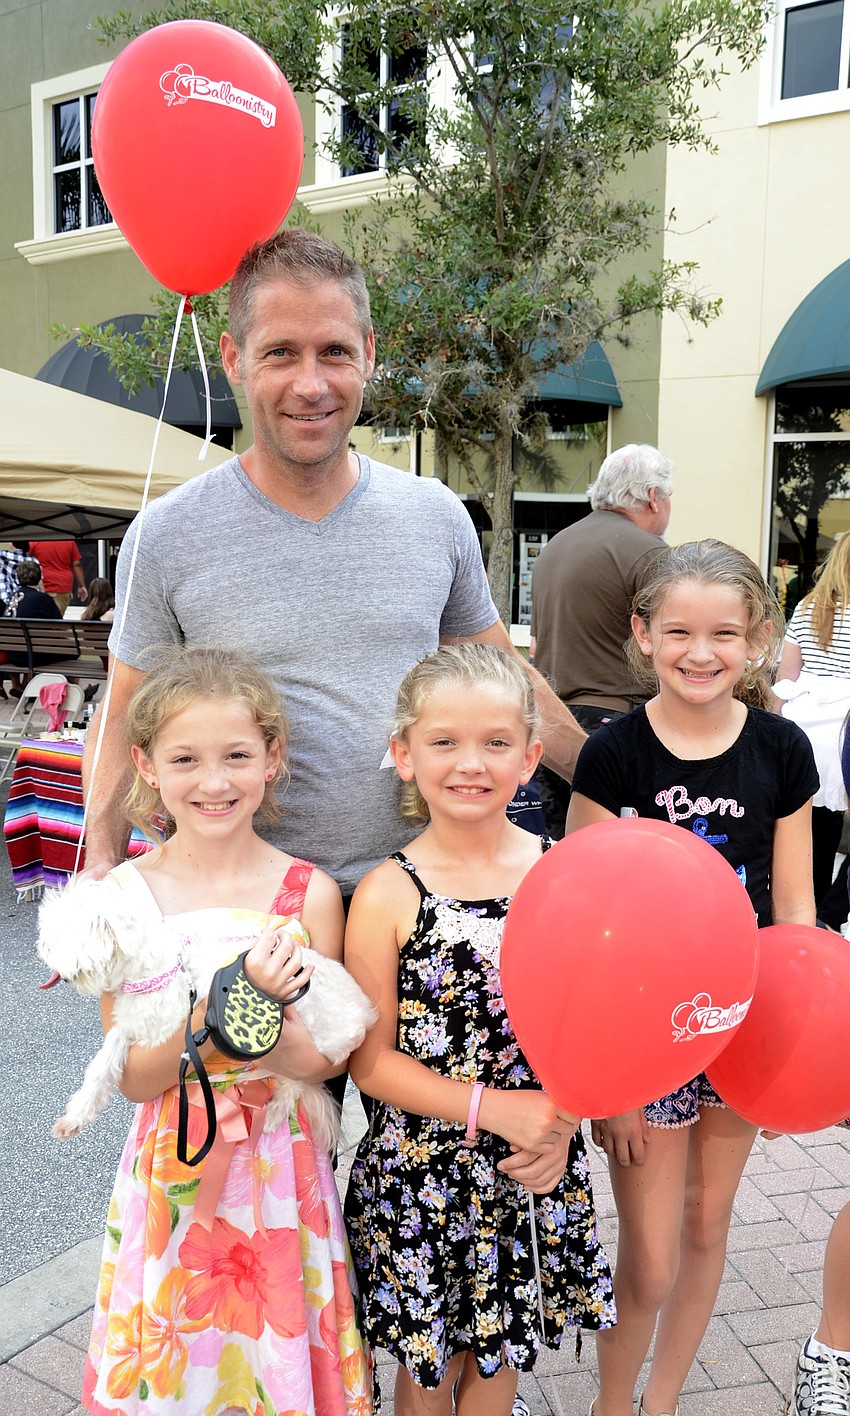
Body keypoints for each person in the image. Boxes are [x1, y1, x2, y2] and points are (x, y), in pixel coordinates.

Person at [82, 228, 586, 901]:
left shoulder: (434, 515)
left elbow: (506, 682)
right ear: (233, 358)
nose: (311, 383)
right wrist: (98, 865)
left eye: (335, 352)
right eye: (281, 353)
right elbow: (123, 715)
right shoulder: (168, 534)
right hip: (245, 908)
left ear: (370, 355)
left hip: (413, 897)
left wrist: (611, 775)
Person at [63, 647, 373, 1415]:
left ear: (272, 758)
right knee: (182, 1358)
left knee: (272, 1361)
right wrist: (221, 1016)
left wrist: (260, 1021)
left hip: (279, 1159)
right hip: (174, 1157)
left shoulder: (309, 893)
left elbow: (325, 1052)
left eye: (237, 755)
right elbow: (134, 1075)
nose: (214, 780)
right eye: (186, 759)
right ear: (146, 764)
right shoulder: (123, 900)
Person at [566, 539, 818, 1416]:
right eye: (677, 630)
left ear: (755, 639)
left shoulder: (783, 751)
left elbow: (795, 913)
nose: (699, 652)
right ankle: (611, 1404)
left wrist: (795, 1060)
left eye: (723, 632)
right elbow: (581, 934)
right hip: (644, 1040)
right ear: (642, 634)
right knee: (652, 1260)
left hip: (742, 1024)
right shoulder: (612, 758)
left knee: (709, 1223)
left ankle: (661, 1402)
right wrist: (611, 1085)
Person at [343, 643, 615, 1416]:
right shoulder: (388, 893)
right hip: (423, 1172)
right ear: (403, 753)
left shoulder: (559, 873)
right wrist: (492, 1109)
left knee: (500, 1358)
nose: (472, 764)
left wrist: (560, 1125)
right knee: (431, 1369)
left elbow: (591, 1028)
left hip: (532, 1160)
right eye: (444, 742)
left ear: (531, 758)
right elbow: (371, 1064)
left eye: (496, 743)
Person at [529, 443, 673, 837]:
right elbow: (672, 646)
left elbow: (536, 644)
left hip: (552, 720)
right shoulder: (651, 554)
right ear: (653, 498)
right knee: (626, 855)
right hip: (620, 719)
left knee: (565, 846)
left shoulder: (555, 547)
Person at [774, 531, 850, 923]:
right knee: (835, 830)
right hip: (844, 731)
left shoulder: (807, 608)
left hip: (805, 726)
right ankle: (830, 910)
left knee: (806, 826)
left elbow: (787, 679)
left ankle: (809, 913)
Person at [29, 539, 87, 613]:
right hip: (63, 587)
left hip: (42, 586)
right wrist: (81, 585)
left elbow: (26, 560)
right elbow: (76, 564)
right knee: (57, 619)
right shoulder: (68, 540)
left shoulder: (36, 541)